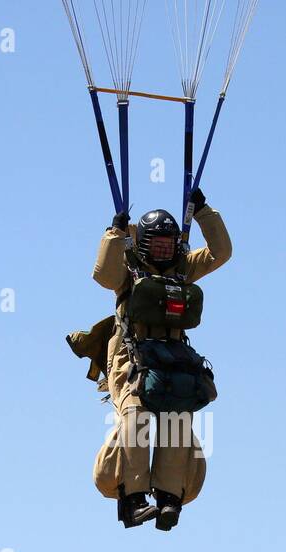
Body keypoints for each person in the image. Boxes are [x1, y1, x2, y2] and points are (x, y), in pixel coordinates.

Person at [67, 187, 232, 530]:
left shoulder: (183, 269)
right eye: (155, 244)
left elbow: (221, 252)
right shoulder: (128, 271)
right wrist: (115, 234)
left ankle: (170, 498)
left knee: (177, 418)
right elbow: (103, 275)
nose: (162, 250)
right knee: (136, 417)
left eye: (167, 245)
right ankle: (133, 499)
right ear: (142, 244)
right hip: (130, 360)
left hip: (171, 361)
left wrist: (203, 212)